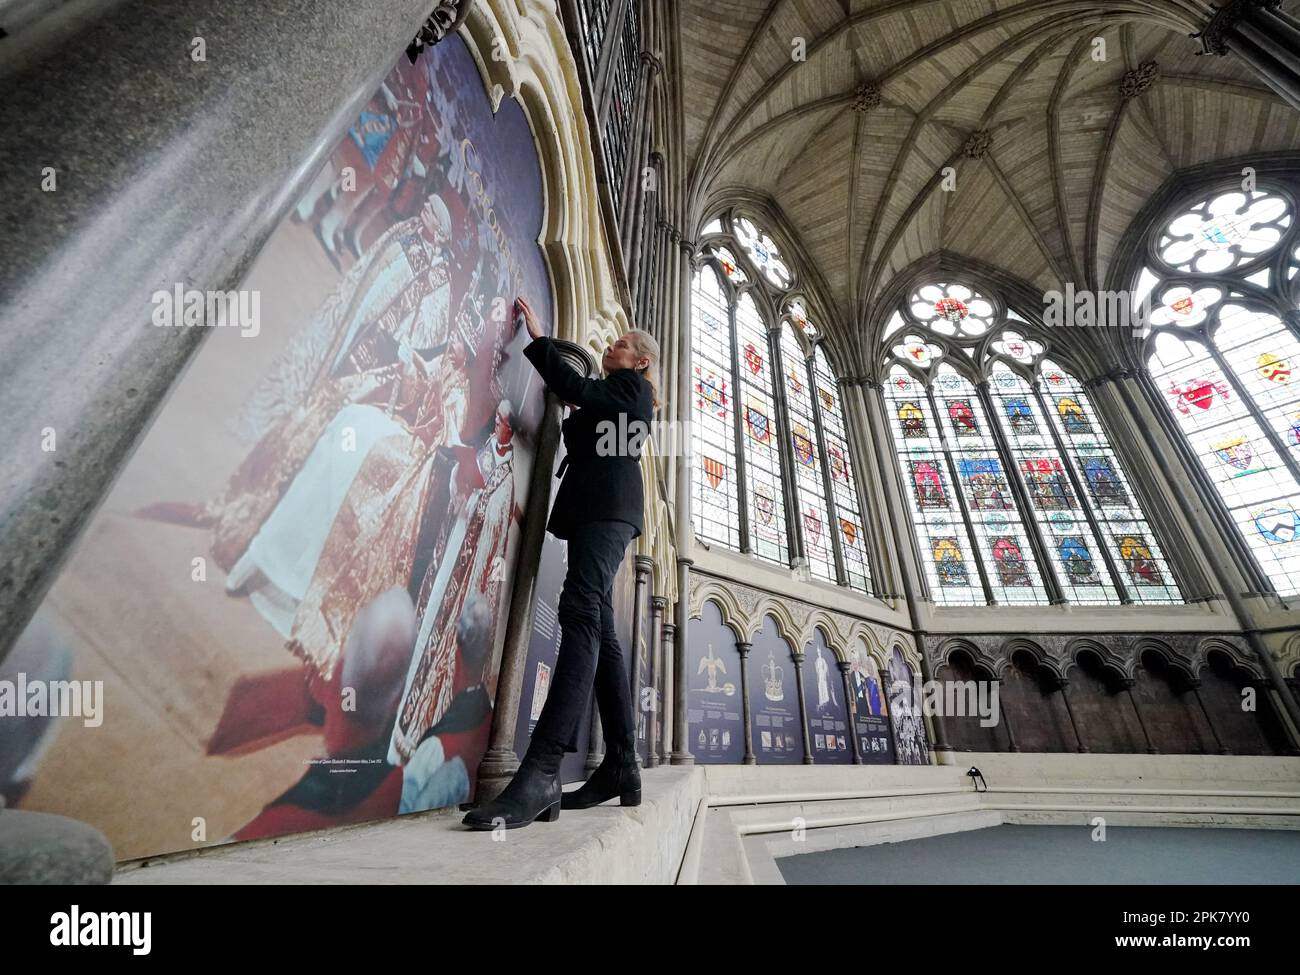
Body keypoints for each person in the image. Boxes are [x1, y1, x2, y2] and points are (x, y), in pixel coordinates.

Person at [462, 297, 658, 830]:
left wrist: (540, 336)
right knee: (602, 628)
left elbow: (578, 389)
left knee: (578, 610)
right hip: (601, 511)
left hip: (605, 509)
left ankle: (544, 768)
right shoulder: (619, 399)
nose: (610, 347)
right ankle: (621, 764)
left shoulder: (632, 390)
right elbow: (582, 417)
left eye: (619, 345)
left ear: (639, 361)